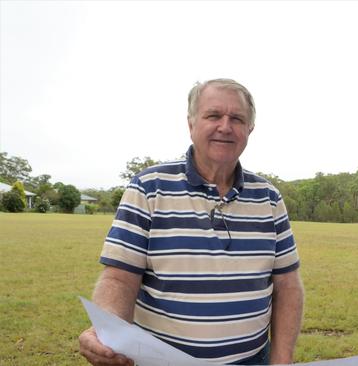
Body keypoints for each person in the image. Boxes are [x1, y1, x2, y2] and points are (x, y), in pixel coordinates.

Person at [79, 79, 304, 365]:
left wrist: (281, 359)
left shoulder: (269, 198)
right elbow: (119, 278)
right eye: (213, 115)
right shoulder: (149, 188)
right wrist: (108, 331)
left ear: (250, 129)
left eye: (237, 118)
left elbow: (287, 285)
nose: (225, 126)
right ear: (191, 123)